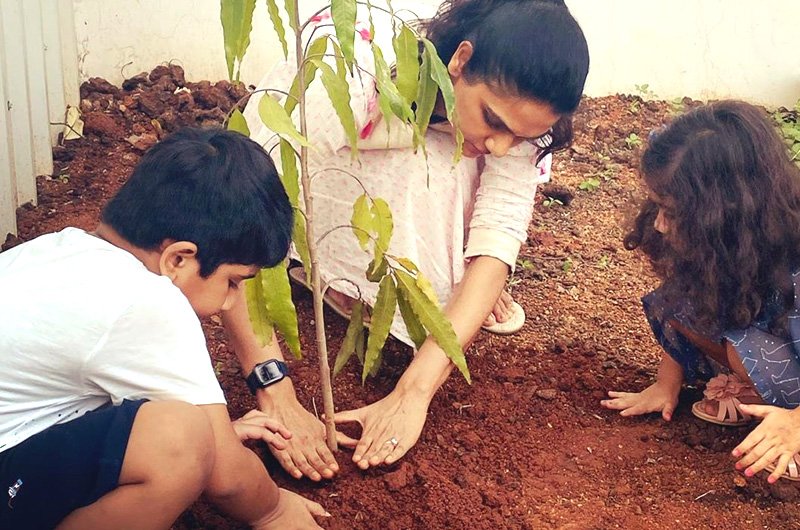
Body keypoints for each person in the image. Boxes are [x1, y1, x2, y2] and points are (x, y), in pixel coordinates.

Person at [224, 0, 590, 480]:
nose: (502, 145)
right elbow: (236, 215)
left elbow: (500, 231)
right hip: (329, 171)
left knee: (457, 162)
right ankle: (329, 273)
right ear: (458, 61)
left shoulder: (514, 117)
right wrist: (276, 391)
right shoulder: (344, 77)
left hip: (424, 148)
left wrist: (412, 393)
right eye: (496, 121)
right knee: (424, 165)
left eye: (522, 137)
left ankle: (397, 285)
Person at [0, 128, 328, 529]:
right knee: (179, 441)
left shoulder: (60, 249)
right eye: (233, 282)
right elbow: (227, 481)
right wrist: (273, 509)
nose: (229, 302)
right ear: (178, 260)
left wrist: (220, 435)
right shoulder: (147, 301)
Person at [601, 100, 800, 483]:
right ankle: (759, 398)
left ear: (724, 210)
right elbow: (693, 298)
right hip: (777, 342)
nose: (658, 225)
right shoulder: (735, 243)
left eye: (672, 212)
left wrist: (795, 424)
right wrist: (666, 383)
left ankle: (783, 424)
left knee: (748, 348)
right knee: (682, 303)